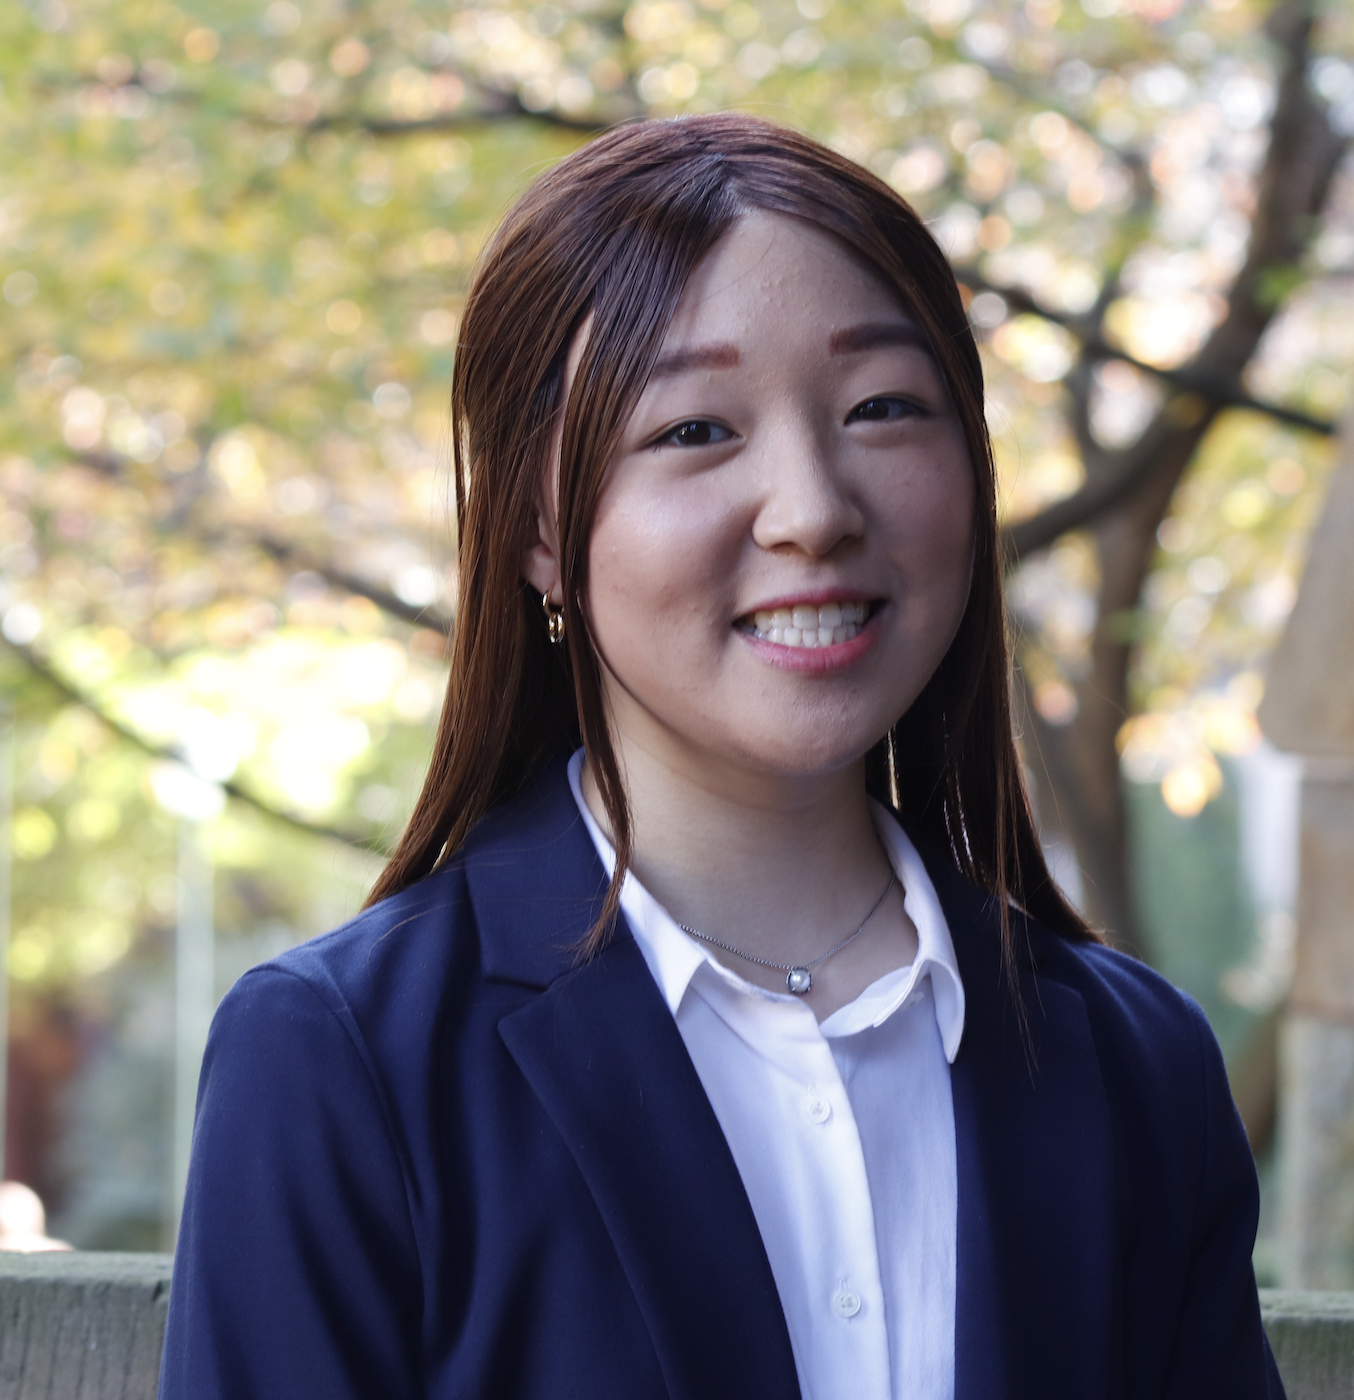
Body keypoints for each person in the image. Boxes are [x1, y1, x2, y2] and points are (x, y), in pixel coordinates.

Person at [158, 113, 1284, 1400]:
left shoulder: (1136, 1066)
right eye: (695, 430)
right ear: (536, 529)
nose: (812, 510)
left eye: (881, 407)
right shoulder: (344, 1061)